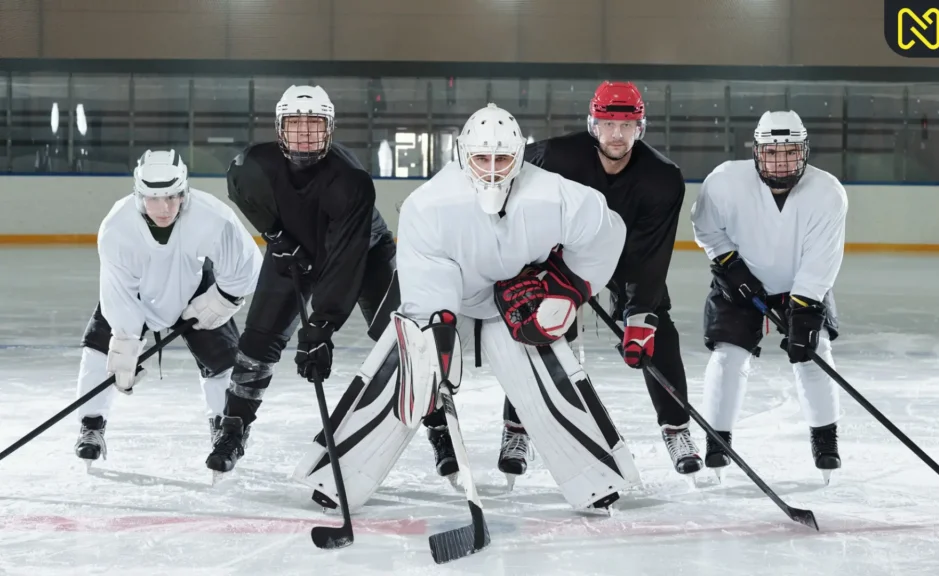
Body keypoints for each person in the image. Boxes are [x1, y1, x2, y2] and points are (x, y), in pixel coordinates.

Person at [291, 103, 640, 512]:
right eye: (481, 158)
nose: (492, 169)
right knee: (405, 371)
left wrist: (566, 286)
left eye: (503, 158)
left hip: (513, 299)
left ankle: (596, 480)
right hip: (445, 300)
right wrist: (434, 334)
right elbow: (426, 281)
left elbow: (606, 231)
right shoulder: (430, 205)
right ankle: (337, 479)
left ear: (520, 156)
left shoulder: (555, 196)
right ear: (461, 154)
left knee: (550, 376)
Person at [443, 81, 699, 485]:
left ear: (641, 128)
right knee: (539, 331)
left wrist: (640, 314)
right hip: (558, 259)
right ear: (592, 125)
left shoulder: (662, 178)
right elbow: (512, 190)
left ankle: (677, 428)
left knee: (659, 333)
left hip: (624, 261)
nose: (617, 134)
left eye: (627, 125)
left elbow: (652, 256)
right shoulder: (555, 156)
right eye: (607, 124)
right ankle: (517, 429)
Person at [206, 85, 398, 474]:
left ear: (330, 129)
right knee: (257, 340)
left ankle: (436, 426)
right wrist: (276, 236)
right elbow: (242, 193)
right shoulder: (251, 166)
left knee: (402, 339)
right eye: (296, 125)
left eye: (315, 125)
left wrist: (321, 327)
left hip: (363, 251)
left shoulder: (351, 181)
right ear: (280, 128)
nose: (305, 134)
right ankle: (234, 426)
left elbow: (344, 261)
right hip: (294, 247)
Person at [73, 150, 262, 466]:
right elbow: (117, 291)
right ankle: (91, 426)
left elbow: (246, 263)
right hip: (135, 294)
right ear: (139, 195)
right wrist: (125, 337)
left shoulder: (211, 216)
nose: (164, 208)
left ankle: (226, 431)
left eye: (172, 197)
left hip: (196, 288)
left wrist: (223, 298)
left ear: (184, 192)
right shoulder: (117, 227)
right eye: (154, 198)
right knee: (99, 351)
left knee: (223, 361)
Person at [689, 110, 846, 483]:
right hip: (740, 280)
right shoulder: (725, 181)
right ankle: (717, 441)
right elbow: (706, 228)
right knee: (728, 355)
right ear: (757, 152)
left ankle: (825, 441)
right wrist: (730, 267)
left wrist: (806, 308)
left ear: (804, 151)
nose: (781, 162)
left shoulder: (827, 193)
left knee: (814, 353)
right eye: (772, 153)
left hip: (802, 284)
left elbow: (822, 258)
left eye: (790, 152)